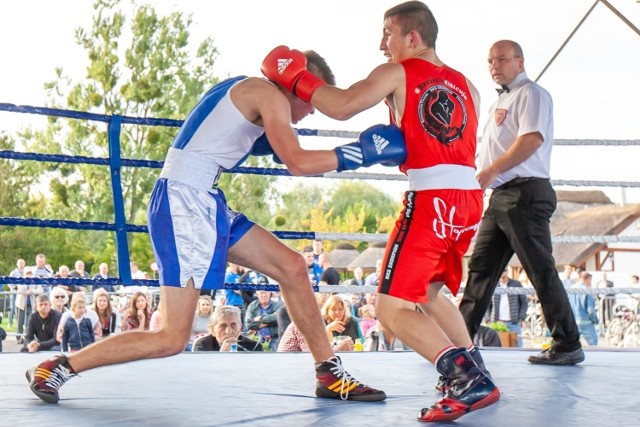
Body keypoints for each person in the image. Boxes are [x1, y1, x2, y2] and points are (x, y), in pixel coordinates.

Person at [26, 49, 403, 404]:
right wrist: (361, 153)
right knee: (171, 338)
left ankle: (329, 373)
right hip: (184, 202)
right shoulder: (268, 96)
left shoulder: (240, 87)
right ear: (300, 84)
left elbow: (218, 136)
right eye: (311, 101)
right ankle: (58, 367)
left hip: (203, 200)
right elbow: (297, 162)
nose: (310, 113)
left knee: (292, 267)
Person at [261, 2, 499, 421]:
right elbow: (443, 144)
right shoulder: (469, 86)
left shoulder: (398, 72)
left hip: (431, 199)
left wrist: (295, 77)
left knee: (390, 308)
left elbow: (340, 105)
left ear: (412, 36)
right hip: (467, 201)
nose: (380, 45)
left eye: (387, 34)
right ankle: (475, 367)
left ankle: (465, 380)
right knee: (426, 294)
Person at [456, 39, 584, 366]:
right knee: (480, 270)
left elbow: (531, 140)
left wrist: (488, 173)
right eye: (490, 61)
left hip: (524, 193)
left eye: (501, 59)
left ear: (520, 61)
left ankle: (567, 343)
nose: (494, 66)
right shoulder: (503, 100)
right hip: (502, 196)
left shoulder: (532, 94)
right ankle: (458, 342)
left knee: (539, 271)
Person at [486, 268, 528, 347]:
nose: (502, 272)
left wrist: (521, 318)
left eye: (504, 270)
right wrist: (488, 319)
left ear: (508, 271)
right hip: (496, 323)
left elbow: (524, 302)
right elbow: (487, 304)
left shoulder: (516, 284)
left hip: (514, 322)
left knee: (517, 347)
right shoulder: (493, 284)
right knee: (495, 347)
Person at [192, 306, 262, 352]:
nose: (228, 331)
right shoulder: (202, 345)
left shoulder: (253, 346)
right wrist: (222, 355)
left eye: (233, 325)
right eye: (223, 326)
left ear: (240, 328)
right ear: (212, 330)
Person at [568, 272, 598, 346]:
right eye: (590, 280)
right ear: (587, 279)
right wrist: (594, 320)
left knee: (571, 345)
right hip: (586, 321)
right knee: (593, 344)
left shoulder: (570, 289)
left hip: (573, 321)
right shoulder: (587, 290)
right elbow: (590, 310)